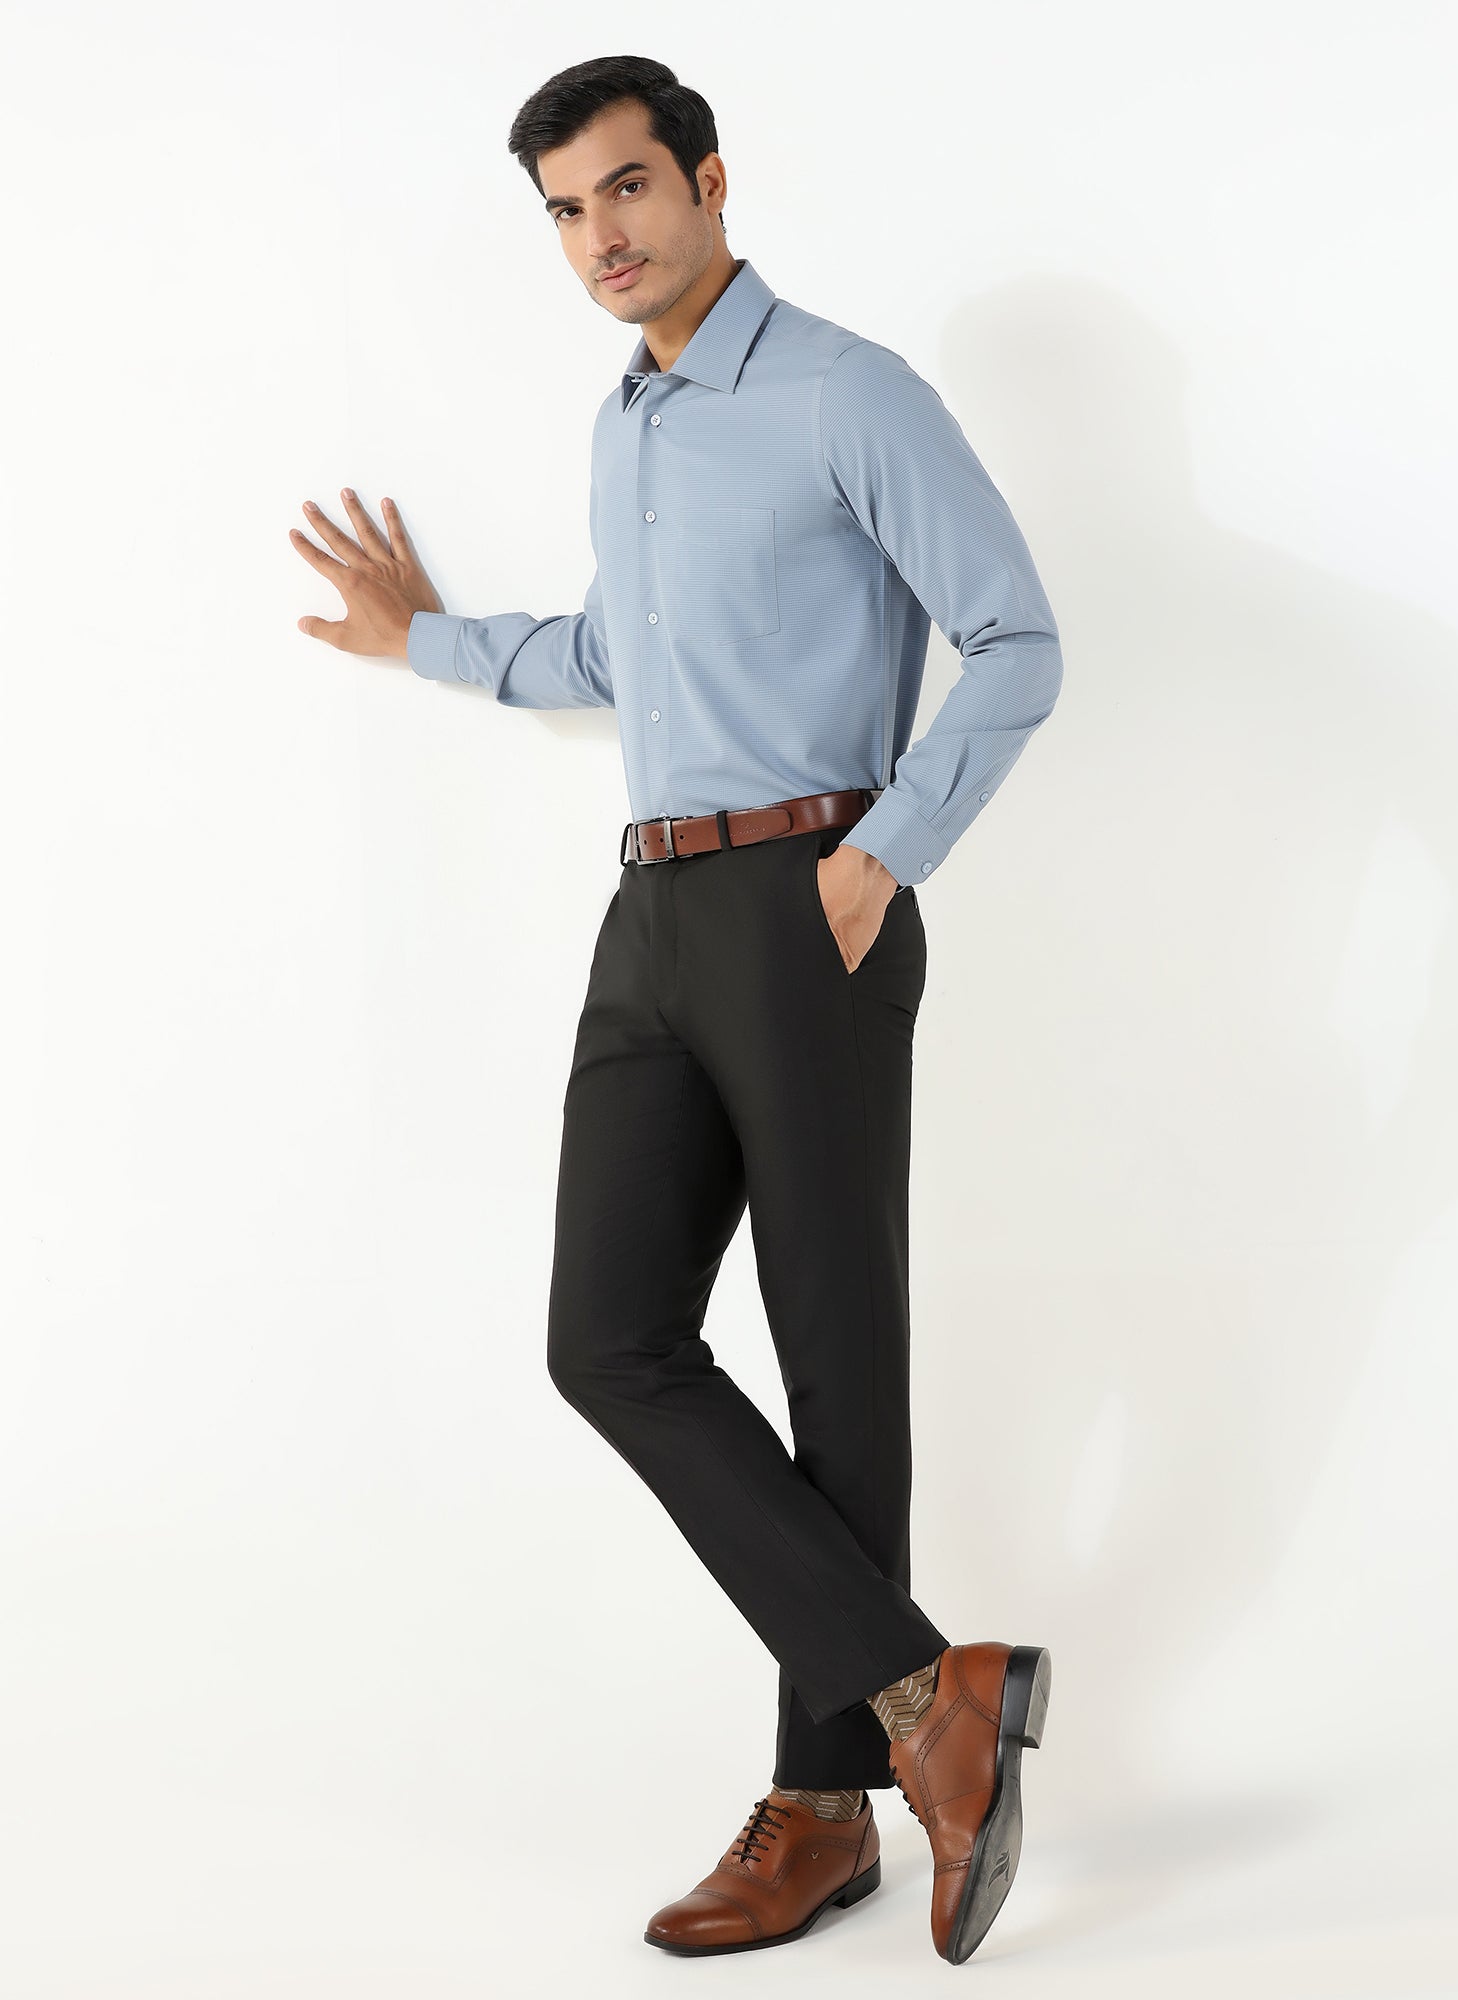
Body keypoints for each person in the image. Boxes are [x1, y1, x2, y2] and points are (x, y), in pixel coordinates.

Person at [289, 52, 1057, 1967]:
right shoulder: (626, 424)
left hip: (812, 901)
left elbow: (1016, 638)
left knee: (835, 1371)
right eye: (565, 211)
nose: (599, 239)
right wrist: (424, 640)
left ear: (710, 181)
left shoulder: (847, 392)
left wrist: (884, 856)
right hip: (650, 911)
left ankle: (824, 1813)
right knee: (608, 1338)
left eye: (626, 190)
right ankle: (927, 1698)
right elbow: (614, 656)